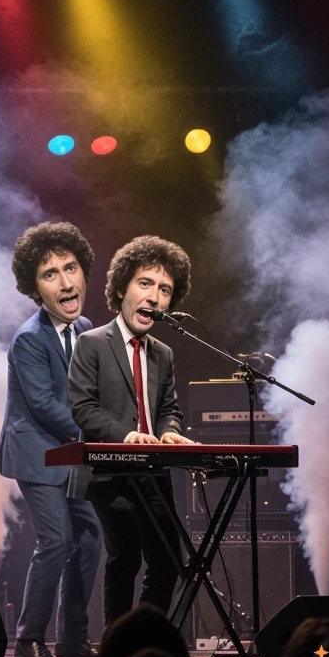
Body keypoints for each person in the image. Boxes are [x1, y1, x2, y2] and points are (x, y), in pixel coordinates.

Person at [68, 235, 193, 625]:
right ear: (121, 287)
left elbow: (169, 408)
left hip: (152, 472)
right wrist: (127, 435)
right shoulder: (91, 343)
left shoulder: (163, 353)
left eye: (165, 290)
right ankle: (116, 649)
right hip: (109, 471)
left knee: (170, 560)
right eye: (145, 284)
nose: (154, 297)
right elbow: (83, 409)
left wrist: (169, 429)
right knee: (125, 557)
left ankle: (143, 640)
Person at [0, 221, 102, 657]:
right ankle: (28, 641)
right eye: (50, 274)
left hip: (72, 453)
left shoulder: (87, 328)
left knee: (91, 537)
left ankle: (73, 639)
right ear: (35, 289)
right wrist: (100, 435)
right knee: (56, 540)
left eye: (70, 268)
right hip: (37, 452)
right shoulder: (29, 339)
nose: (65, 280)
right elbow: (42, 406)